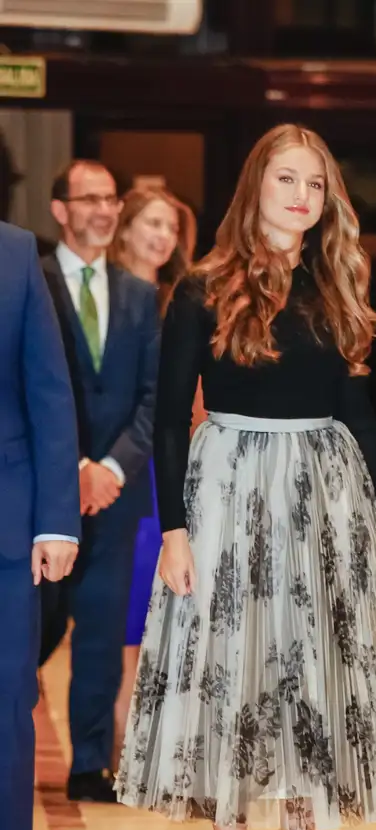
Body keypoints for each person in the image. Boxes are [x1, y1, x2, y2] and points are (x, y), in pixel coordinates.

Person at [114, 124, 376, 830]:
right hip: (228, 494)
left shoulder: (341, 281)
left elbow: (358, 410)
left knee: (308, 689)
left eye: (315, 185)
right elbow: (172, 419)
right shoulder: (203, 287)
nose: (302, 197)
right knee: (234, 691)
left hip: (321, 493)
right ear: (256, 186)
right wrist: (173, 527)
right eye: (287, 180)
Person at [40, 160, 160, 802]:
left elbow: (153, 395)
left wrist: (110, 468)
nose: (104, 210)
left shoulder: (138, 295)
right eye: (89, 199)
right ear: (59, 210)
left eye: (111, 198)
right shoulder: (30, 283)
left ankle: (89, 764)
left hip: (119, 493)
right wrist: (74, 468)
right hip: (45, 490)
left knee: (102, 631)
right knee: (33, 628)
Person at [0, 221, 80, 830]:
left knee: (6, 712)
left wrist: (58, 520)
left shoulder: (18, 254)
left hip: (6, 524)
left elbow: (50, 393)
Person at [109, 185, 198, 770]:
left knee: (154, 623)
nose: (163, 237)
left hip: (166, 475)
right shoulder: (105, 296)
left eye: (171, 227)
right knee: (120, 628)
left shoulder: (179, 301)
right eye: (152, 223)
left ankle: (148, 753)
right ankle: (117, 747)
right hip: (117, 474)